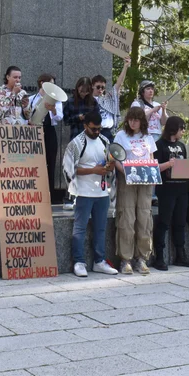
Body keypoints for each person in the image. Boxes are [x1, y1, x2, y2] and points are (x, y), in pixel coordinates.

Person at [61, 111, 119, 277]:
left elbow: (110, 163)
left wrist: (110, 167)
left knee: (101, 229)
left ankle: (99, 261)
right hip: (83, 192)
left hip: (102, 192)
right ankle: (79, 262)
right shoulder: (76, 143)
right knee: (79, 228)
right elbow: (69, 168)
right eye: (94, 129)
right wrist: (93, 170)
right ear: (85, 126)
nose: (97, 132)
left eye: (99, 129)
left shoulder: (105, 141)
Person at [113, 107, 156, 275]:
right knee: (127, 218)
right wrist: (128, 172)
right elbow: (116, 159)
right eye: (130, 119)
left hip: (145, 181)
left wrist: (149, 173)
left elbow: (151, 158)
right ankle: (125, 260)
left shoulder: (148, 137)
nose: (133, 122)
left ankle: (142, 258)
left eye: (136, 119)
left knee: (144, 218)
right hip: (127, 179)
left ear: (142, 121)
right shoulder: (120, 136)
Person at [153, 116, 189, 270]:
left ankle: (181, 254)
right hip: (166, 189)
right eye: (181, 128)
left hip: (181, 189)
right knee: (164, 222)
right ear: (173, 128)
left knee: (180, 223)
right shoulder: (159, 145)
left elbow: (184, 166)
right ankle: (159, 256)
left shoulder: (181, 146)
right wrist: (168, 164)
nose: (183, 131)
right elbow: (154, 167)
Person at [29, 74, 66, 205]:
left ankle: (49, 195)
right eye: (50, 84)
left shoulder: (56, 101)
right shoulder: (32, 98)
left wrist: (53, 110)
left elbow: (59, 117)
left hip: (49, 132)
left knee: (50, 163)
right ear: (41, 83)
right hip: (35, 133)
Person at [92, 57, 130, 140]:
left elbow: (118, 84)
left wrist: (125, 66)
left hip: (108, 132)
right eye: (98, 87)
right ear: (92, 86)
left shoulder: (107, 98)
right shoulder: (89, 100)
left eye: (102, 88)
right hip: (94, 131)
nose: (100, 90)